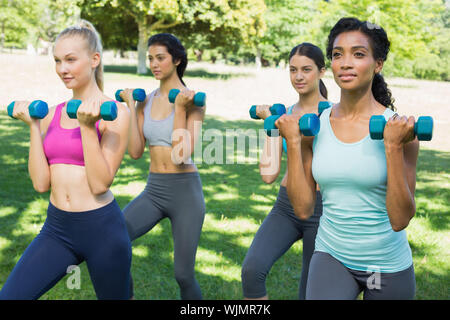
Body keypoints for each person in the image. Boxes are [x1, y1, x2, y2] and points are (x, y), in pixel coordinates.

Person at [276, 17, 418, 300]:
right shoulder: (314, 126)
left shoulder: (400, 132)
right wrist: (293, 142)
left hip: (384, 266)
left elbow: (400, 219)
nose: (345, 62)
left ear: (378, 64)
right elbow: (304, 210)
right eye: (338, 54)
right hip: (333, 256)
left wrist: (391, 148)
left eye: (359, 54)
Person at [0, 20, 132, 300]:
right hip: (57, 229)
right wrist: (34, 127)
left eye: (71, 60)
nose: (62, 69)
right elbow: (40, 183)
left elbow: (99, 184)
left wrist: (87, 127)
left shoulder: (117, 114)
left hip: (102, 230)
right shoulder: (49, 114)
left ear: (94, 59)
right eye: (58, 60)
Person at [119, 33, 206, 300]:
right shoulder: (147, 99)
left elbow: (181, 154)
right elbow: (135, 152)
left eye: (161, 58)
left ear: (177, 59)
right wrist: (132, 108)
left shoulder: (194, 101)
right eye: (151, 58)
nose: (154, 64)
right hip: (154, 189)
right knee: (113, 242)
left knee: (183, 274)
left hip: (185, 193)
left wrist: (179, 108)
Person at [241, 43, 328, 300]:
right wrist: (272, 126)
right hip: (286, 207)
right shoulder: (286, 115)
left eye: (306, 70)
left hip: (323, 210)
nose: (298, 76)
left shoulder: (335, 115)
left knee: (310, 291)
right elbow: (269, 174)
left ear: (322, 72)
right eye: (293, 70)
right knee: (252, 270)